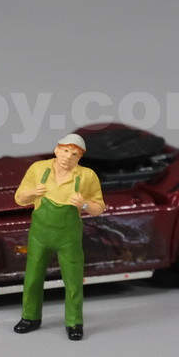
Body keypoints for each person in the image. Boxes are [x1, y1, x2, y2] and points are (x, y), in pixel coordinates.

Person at [12, 134, 105, 340]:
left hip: (68, 238)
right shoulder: (38, 169)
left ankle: (74, 322)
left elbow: (99, 208)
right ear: (56, 150)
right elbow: (19, 198)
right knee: (32, 278)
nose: (68, 157)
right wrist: (32, 193)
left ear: (79, 157)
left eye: (74, 154)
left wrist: (84, 204)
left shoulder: (87, 176)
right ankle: (30, 317)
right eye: (65, 151)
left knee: (73, 280)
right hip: (39, 235)